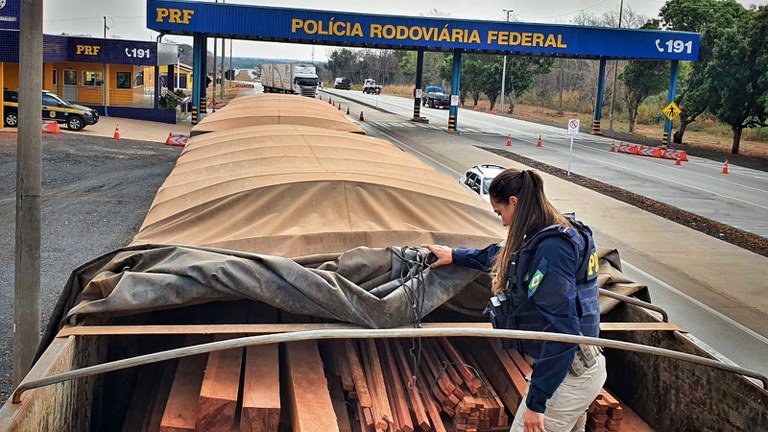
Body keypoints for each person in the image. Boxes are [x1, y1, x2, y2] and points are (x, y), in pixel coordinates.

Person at [424, 168, 606, 432]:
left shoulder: (553, 249)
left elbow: (562, 333)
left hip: (569, 374)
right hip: (578, 367)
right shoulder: (545, 232)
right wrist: (456, 255)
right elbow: (504, 256)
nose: (503, 222)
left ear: (514, 202)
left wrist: (536, 403)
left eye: (500, 213)